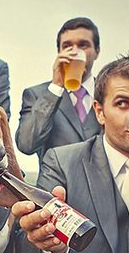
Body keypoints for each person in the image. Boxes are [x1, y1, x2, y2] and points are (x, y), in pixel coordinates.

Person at [12, 53, 129, 253]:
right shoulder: (62, 162)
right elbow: (25, 248)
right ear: (99, 112)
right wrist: (48, 246)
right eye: (122, 103)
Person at [15, 17, 101, 166]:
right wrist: (56, 87)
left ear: (96, 51)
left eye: (83, 45)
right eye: (67, 46)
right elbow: (26, 144)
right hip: (55, 187)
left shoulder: (109, 95)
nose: (75, 52)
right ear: (59, 52)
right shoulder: (36, 94)